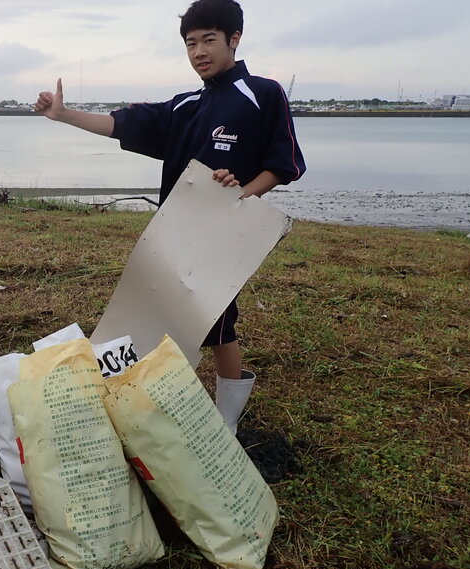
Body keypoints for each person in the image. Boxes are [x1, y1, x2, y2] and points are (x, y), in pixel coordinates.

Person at [34, 0, 305, 434]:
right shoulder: (185, 105)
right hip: (172, 232)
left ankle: (226, 423)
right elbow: (121, 123)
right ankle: (145, 405)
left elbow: (284, 164)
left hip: (225, 234)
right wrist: (63, 115)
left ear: (234, 40)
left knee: (217, 323)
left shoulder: (263, 94)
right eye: (191, 43)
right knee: (159, 314)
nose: (199, 51)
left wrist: (239, 195)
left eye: (209, 41)